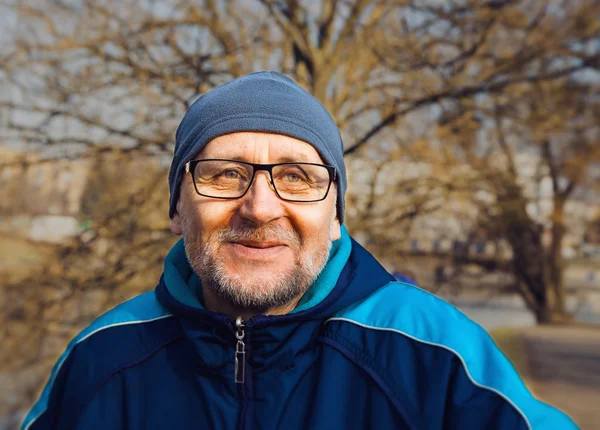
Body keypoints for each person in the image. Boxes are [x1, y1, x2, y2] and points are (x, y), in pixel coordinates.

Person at [22, 72, 576, 430]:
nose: (260, 207)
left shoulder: (436, 357)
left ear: (335, 216)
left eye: (297, 177)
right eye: (224, 174)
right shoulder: (99, 360)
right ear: (176, 210)